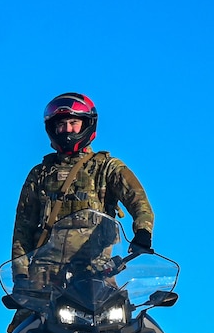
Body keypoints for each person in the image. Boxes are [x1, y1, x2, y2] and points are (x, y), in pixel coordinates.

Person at [9, 93, 154, 299]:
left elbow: (139, 201)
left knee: (127, 323)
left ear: (87, 124)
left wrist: (143, 231)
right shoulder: (40, 174)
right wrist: (21, 275)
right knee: (25, 328)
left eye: (73, 123)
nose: (67, 130)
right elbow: (22, 229)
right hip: (43, 277)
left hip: (96, 274)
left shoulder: (106, 167)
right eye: (61, 124)